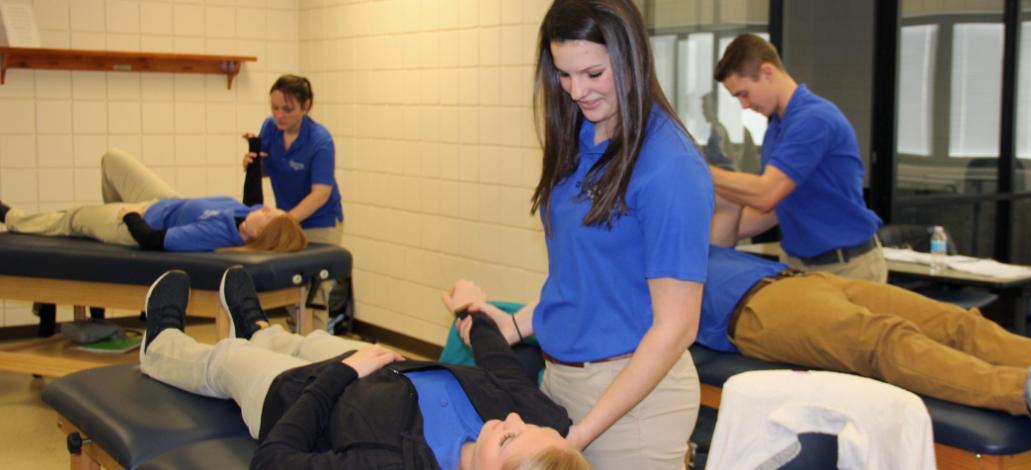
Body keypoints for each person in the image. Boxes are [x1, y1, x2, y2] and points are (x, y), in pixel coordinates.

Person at [686, 197, 1031, 447]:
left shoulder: (657, 217)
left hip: (791, 277)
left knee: (958, 323)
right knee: (883, 342)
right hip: (747, 311)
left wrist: (710, 179)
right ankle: (1029, 393)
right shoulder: (610, 261)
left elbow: (725, 227)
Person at [444, 1, 713, 467]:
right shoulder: (584, 136)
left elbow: (676, 328)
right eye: (564, 75)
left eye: (592, 73)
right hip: (559, 381)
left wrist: (580, 435)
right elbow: (584, 276)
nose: (576, 91)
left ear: (631, 58)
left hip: (634, 405)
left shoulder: (671, 166)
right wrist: (514, 324)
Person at [137, 267, 590, 470]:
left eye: (510, 436)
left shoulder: (394, 464)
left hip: (297, 398)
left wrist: (344, 375)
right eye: (523, 424)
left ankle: (160, 345)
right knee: (307, 339)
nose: (512, 419)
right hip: (379, 370)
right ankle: (257, 328)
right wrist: (472, 312)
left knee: (228, 359)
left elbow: (273, 463)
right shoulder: (544, 424)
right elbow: (505, 371)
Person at [710, 33, 886, 282]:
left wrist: (702, 172)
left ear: (767, 72)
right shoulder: (777, 126)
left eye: (744, 94)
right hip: (798, 264)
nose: (744, 105)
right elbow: (775, 208)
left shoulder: (814, 119)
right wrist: (717, 230)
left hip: (845, 267)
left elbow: (764, 194)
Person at [0, 148, 305, 253]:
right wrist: (252, 159)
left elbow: (152, 241)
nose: (264, 207)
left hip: (140, 221)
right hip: (164, 202)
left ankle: (11, 216)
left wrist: (129, 215)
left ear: (257, 233)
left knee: (73, 217)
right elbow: (253, 198)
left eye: (268, 214)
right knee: (113, 160)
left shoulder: (217, 233)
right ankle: (100, 236)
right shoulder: (247, 216)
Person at [242, 74, 344, 245]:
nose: (279, 115)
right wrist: (252, 166)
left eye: (287, 109)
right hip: (287, 219)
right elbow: (270, 168)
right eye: (274, 107)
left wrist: (284, 221)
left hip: (318, 224)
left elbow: (321, 194)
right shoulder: (270, 127)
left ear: (306, 105)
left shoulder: (320, 141)